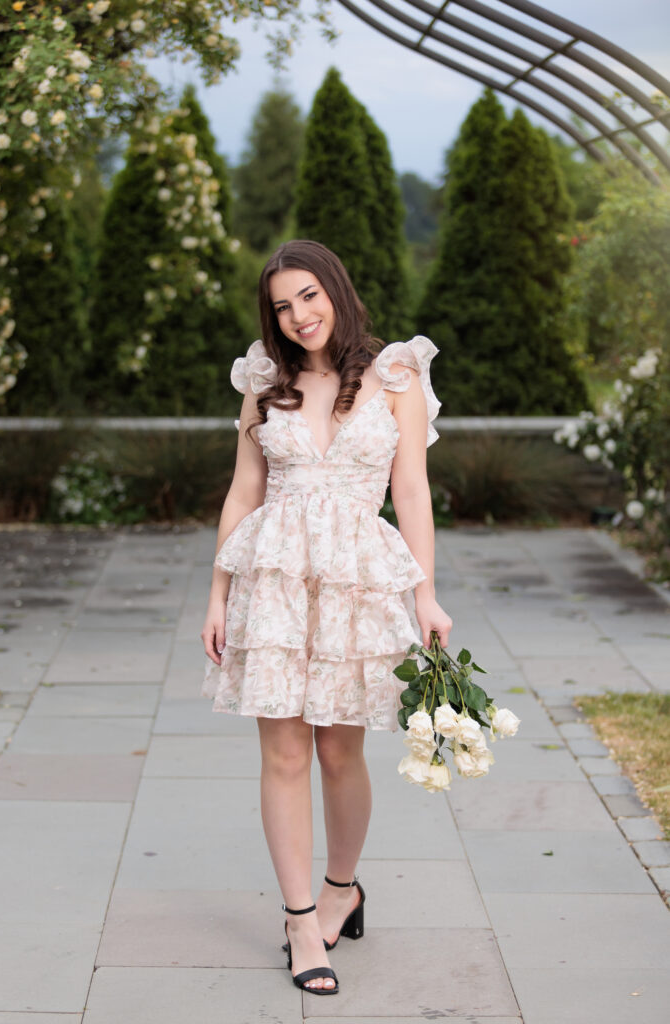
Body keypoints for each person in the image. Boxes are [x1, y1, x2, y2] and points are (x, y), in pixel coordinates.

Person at [201, 239, 453, 995]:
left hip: (356, 582)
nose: (298, 315)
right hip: (273, 583)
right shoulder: (262, 384)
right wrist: (215, 595)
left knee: (341, 754)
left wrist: (424, 593)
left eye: (308, 295)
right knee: (282, 754)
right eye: (282, 305)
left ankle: (342, 887)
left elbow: (410, 492)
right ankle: (299, 917)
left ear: (335, 290)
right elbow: (244, 492)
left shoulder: (397, 377)